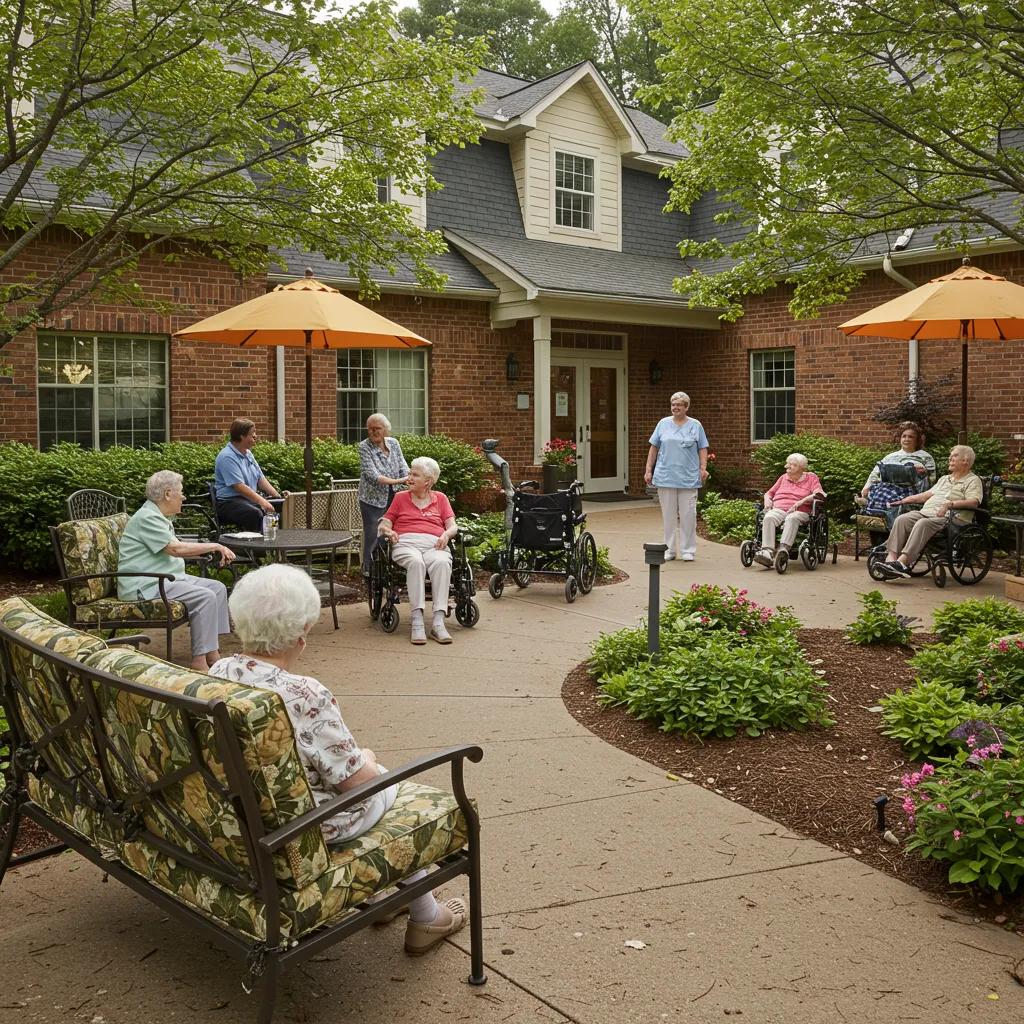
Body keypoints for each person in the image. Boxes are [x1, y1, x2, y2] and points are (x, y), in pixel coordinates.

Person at [209, 564, 465, 955]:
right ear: (303, 633)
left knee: (373, 775)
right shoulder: (303, 694)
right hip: (305, 830)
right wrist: (369, 758)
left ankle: (385, 897)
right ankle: (427, 915)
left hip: (239, 816)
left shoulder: (219, 671)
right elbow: (357, 783)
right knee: (384, 778)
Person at [118, 470, 236, 671]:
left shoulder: (160, 516)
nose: (183, 497)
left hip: (167, 579)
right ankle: (199, 661)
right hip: (145, 584)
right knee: (205, 596)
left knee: (217, 588)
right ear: (167, 494)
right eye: (181, 492)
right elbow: (175, 549)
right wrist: (215, 546)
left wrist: (208, 548)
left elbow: (176, 547)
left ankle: (213, 654)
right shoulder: (147, 518)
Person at [378, 456, 457, 645]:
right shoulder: (400, 497)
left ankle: (438, 623)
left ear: (428, 481)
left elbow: (453, 526)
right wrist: (389, 531)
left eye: (415, 475)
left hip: (434, 544)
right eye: (410, 473)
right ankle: (417, 621)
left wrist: (446, 535)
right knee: (416, 562)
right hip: (406, 543)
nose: (409, 478)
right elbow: (384, 524)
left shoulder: (441, 498)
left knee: (442, 562)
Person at [879, 445, 982, 579]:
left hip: (952, 518)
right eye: (950, 456)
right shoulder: (944, 479)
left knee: (923, 523)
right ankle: (891, 560)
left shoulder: (973, 480)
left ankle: (902, 563)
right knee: (902, 519)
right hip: (927, 513)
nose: (950, 458)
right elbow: (925, 495)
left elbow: (974, 502)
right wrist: (904, 500)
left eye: (955, 456)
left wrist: (950, 504)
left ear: (965, 461)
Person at [643, 391, 709, 561]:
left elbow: (702, 448)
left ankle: (688, 550)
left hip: (688, 477)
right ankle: (669, 550)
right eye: (673, 404)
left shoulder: (696, 425)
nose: (675, 407)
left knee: (688, 515)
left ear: (686, 407)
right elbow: (654, 448)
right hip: (666, 476)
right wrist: (648, 469)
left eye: (679, 405)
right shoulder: (663, 424)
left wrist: (703, 468)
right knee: (669, 516)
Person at [358, 413, 409, 577]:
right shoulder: (364, 447)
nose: (373, 432)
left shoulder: (394, 443)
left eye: (377, 428)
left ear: (386, 429)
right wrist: (399, 480)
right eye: (370, 429)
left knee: (391, 531)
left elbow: (403, 465)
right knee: (373, 534)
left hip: (394, 496)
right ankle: (369, 568)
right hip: (372, 499)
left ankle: (387, 566)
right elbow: (372, 475)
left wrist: (410, 477)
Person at [214, 418, 286, 532]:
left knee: (281, 506)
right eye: (252, 433)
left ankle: (276, 538)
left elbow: (260, 479)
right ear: (242, 436)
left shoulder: (248, 453)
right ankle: (258, 542)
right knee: (256, 513)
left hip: (247, 500)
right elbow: (239, 486)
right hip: (229, 502)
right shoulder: (227, 457)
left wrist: (278, 497)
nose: (255, 436)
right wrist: (262, 502)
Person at [755, 454, 826, 568]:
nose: (788, 466)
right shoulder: (783, 478)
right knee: (769, 517)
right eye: (788, 464)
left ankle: (783, 550)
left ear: (802, 468)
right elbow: (769, 493)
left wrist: (801, 502)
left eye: (793, 465)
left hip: (800, 511)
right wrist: (767, 501)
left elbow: (820, 494)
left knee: (792, 518)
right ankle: (767, 552)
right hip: (779, 509)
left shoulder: (811, 477)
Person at [859, 422, 936, 527]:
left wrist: (923, 474)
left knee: (890, 499)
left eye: (910, 437)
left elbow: (932, 480)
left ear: (917, 440)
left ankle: (890, 524)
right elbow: (875, 473)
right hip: (888, 488)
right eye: (904, 436)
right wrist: (866, 487)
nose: (906, 439)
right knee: (879, 493)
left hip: (912, 490)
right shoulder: (890, 456)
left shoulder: (925, 457)